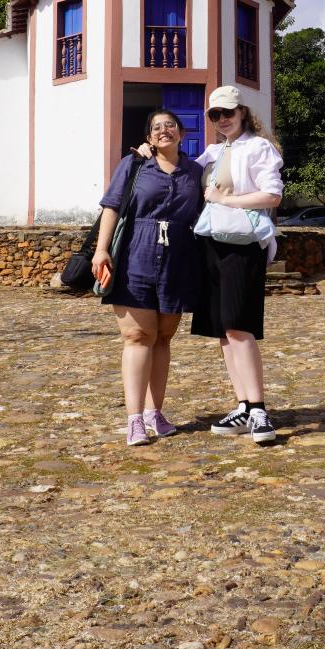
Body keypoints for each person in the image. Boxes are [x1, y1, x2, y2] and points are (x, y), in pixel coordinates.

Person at [93, 109, 206, 447]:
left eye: (169, 125)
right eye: (156, 127)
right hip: (135, 255)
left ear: (182, 133)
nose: (163, 131)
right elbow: (112, 206)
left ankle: (155, 412)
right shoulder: (134, 164)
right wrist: (102, 250)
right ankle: (134, 419)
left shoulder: (195, 172)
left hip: (179, 259)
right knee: (138, 336)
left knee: (164, 337)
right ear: (149, 136)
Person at [192, 85, 285, 444]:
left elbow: (272, 194)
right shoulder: (214, 151)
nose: (222, 120)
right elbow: (183, 172)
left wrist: (224, 200)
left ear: (243, 112)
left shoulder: (258, 147)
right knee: (224, 330)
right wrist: (146, 152)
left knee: (239, 326)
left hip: (243, 245)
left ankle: (259, 408)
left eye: (228, 112)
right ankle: (244, 405)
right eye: (215, 115)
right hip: (212, 243)